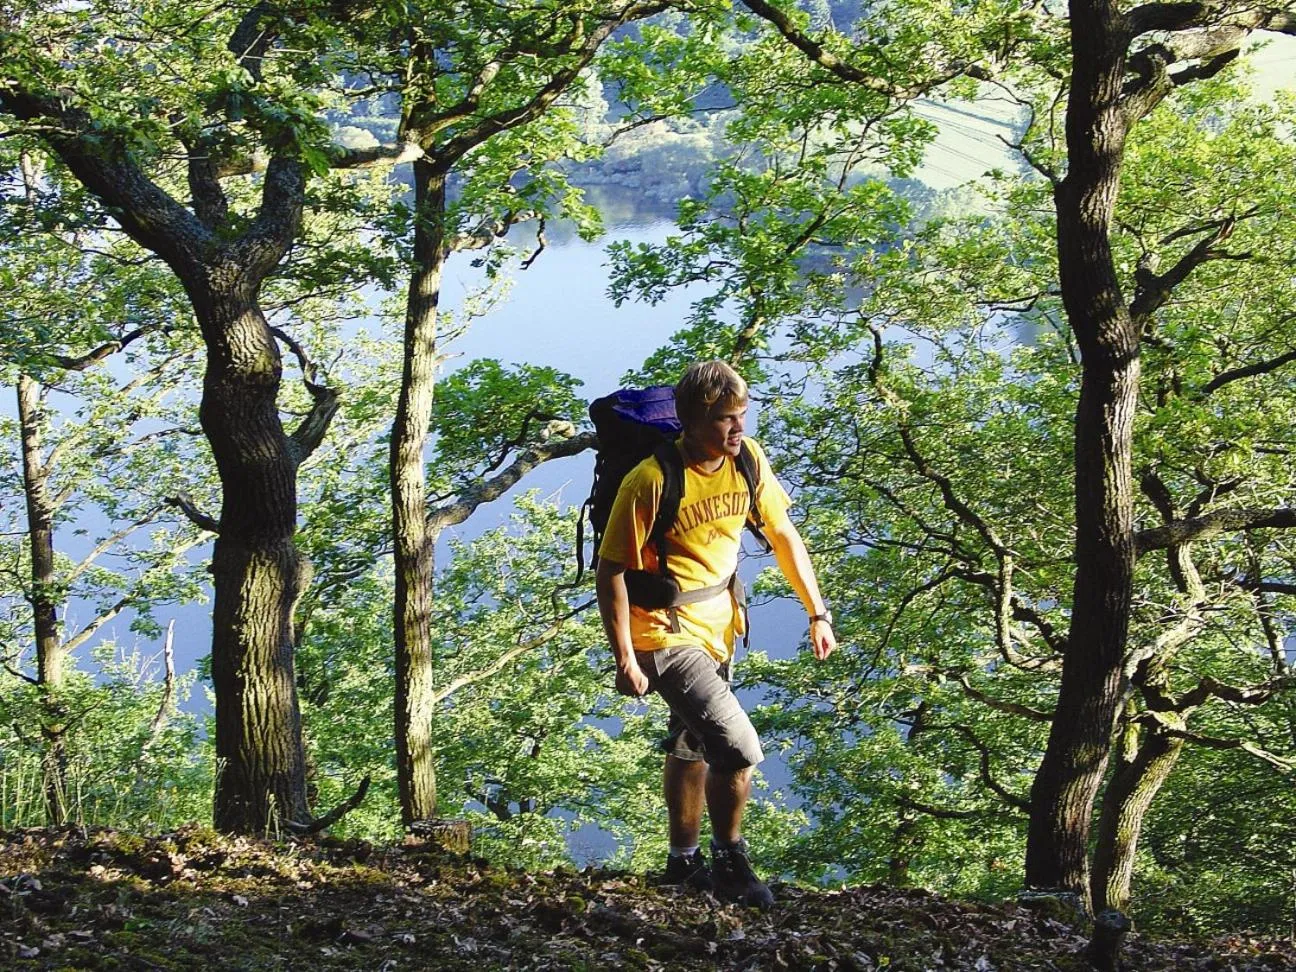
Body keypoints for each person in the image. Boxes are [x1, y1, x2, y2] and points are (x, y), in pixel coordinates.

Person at [595, 360, 837, 908]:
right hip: (663, 634)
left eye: (742, 416)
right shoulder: (651, 481)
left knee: (691, 742)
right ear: (693, 420)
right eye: (727, 420)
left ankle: (683, 862)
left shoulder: (747, 462)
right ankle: (730, 861)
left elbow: (782, 533)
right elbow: (610, 571)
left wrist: (816, 612)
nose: (738, 429)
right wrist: (625, 658)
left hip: (719, 625)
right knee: (737, 747)